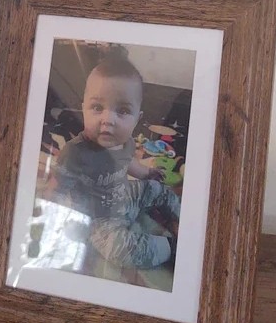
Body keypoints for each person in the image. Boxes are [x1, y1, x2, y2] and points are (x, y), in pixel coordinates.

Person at [48, 54, 181, 270]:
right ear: (83, 109)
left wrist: (147, 173)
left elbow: (128, 163)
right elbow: (57, 190)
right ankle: (171, 247)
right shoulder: (75, 152)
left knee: (156, 188)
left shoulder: (126, 142)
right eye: (97, 107)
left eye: (123, 111)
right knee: (119, 250)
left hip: (126, 196)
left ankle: (183, 219)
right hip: (99, 220)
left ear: (137, 118)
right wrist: (60, 219)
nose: (108, 119)